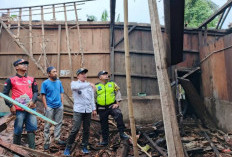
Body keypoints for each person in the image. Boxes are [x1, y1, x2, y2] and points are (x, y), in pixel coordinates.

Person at [2, 59, 38, 149]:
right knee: (18, 130)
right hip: (19, 110)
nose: (25, 65)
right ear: (16, 67)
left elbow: (36, 92)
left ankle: (32, 150)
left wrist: (33, 101)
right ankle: (16, 151)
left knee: (32, 129)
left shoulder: (31, 79)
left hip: (30, 109)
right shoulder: (11, 80)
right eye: (22, 64)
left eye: (26, 64)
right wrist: (11, 105)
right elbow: (5, 94)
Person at [64, 68, 96, 155]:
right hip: (78, 110)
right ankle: (68, 147)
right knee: (75, 129)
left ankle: (84, 146)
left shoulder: (89, 86)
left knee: (86, 129)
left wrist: (94, 109)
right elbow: (76, 87)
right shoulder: (74, 83)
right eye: (82, 73)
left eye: (85, 73)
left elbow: (92, 98)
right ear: (78, 76)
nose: (84, 75)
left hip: (88, 110)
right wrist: (89, 84)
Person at [95, 71, 129, 146]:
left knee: (118, 114)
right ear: (100, 77)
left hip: (111, 106)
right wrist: (93, 108)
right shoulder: (96, 86)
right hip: (101, 108)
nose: (106, 75)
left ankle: (121, 133)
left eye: (107, 74)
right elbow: (93, 97)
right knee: (104, 124)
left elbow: (118, 93)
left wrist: (117, 103)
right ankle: (105, 141)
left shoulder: (112, 84)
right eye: (104, 75)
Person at [40, 66, 66, 150]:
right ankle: (47, 142)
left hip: (59, 106)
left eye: (56, 71)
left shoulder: (59, 82)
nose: (55, 73)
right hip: (49, 107)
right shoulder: (45, 83)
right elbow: (43, 96)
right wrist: (46, 106)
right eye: (53, 72)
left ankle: (57, 139)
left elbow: (61, 92)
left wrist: (62, 104)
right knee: (47, 125)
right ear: (49, 74)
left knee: (58, 123)